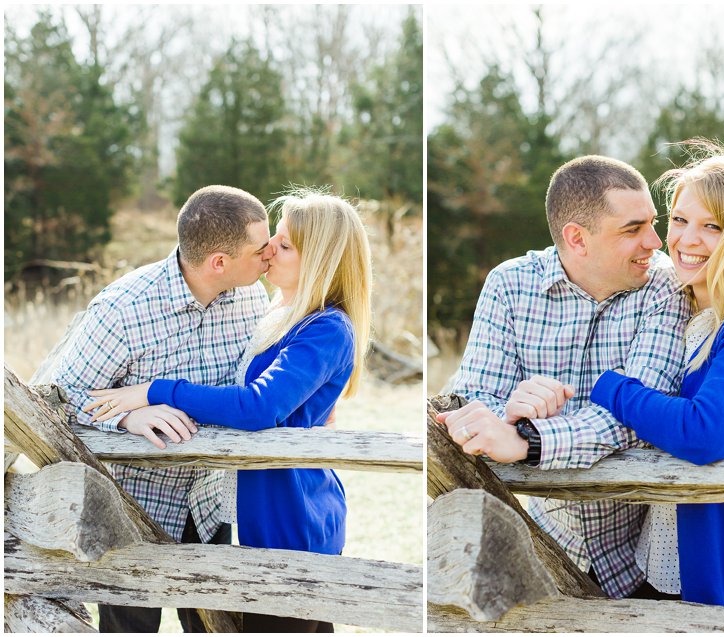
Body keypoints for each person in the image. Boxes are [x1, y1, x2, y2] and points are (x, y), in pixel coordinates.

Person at [84, 191, 372, 633]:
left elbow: (259, 405)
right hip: (258, 518)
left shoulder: (327, 328)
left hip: (293, 521)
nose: (269, 250)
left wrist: (157, 391)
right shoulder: (280, 311)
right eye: (274, 238)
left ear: (320, 260)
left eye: (285, 244)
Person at [435, 155, 691, 599]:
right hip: (542, 545)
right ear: (577, 239)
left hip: (643, 559)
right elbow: (468, 399)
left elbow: (642, 415)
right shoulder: (510, 285)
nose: (655, 241)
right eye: (632, 229)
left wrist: (527, 440)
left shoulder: (667, 287)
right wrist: (509, 415)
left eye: (653, 223)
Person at [588, 147, 724, 612]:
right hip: (656, 566)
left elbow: (705, 431)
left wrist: (610, 387)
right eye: (680, 220)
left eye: (712, 226)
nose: (687, 239)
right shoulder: (672, 310)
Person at [52, 185, 272, 633]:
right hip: (132, 506)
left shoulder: (253, 299)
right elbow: (57, 393)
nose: (269, 255)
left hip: (210, 498)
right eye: (260, 248)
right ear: (219, 262)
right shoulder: (123, 309)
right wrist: (127, 415)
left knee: (217, 623)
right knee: (130, 627)